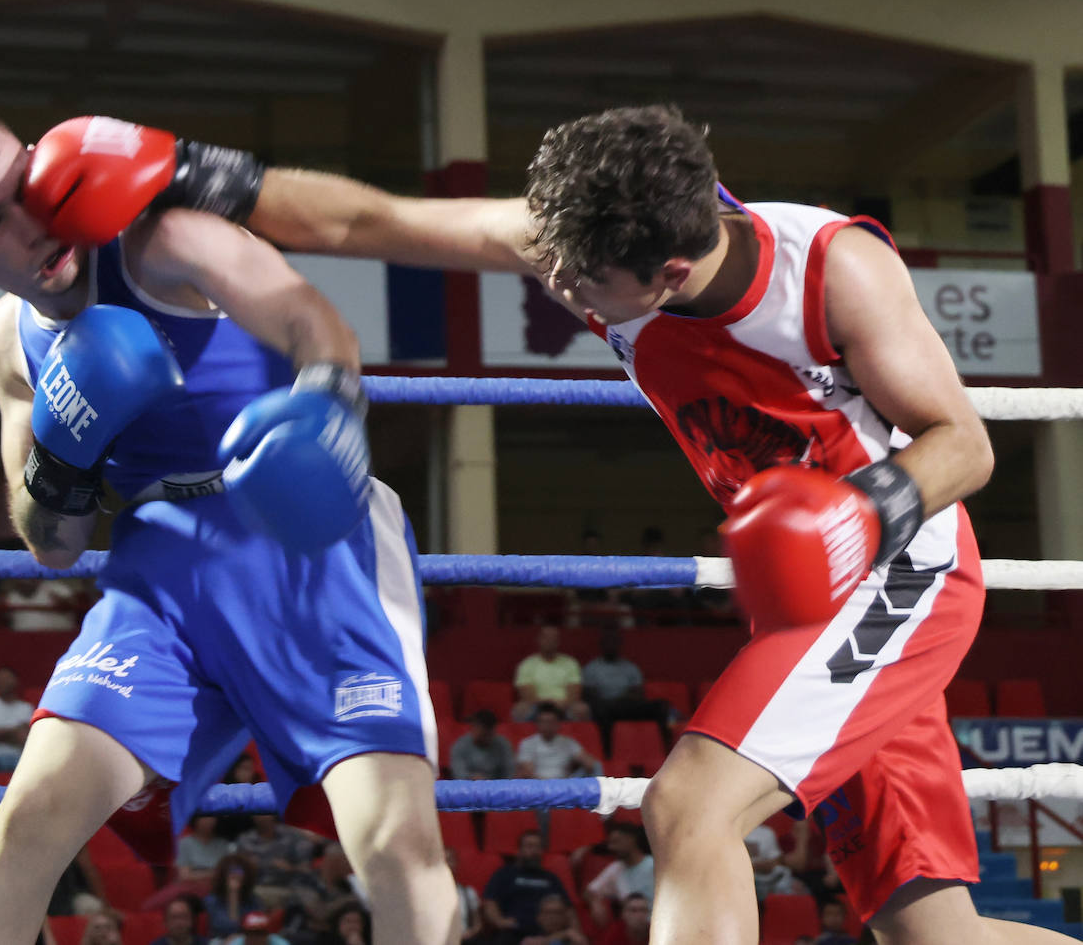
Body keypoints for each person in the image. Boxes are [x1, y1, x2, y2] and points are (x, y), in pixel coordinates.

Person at [196, 102, 1049, 944]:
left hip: (898, 571)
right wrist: (193, 174)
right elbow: (374, 220)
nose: (560, 285)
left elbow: (964, 446)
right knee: (935, 934)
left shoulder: (833, 271)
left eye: (583, 281)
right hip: (805, 591)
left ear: (669, 274)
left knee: (688, 808)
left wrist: (854, 514)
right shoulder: (595, 237)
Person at [0, 99, 453, 945]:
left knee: (395, 848)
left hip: (302, 541)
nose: (33, 229)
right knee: (21, 835)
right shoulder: (8, 339)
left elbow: (316, 325)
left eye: (27, 191)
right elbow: (50, 541)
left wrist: (322, 422)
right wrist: (62, 458)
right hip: (156, 576)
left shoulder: (161, 239)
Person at [579, 629, 672, 751]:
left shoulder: (630, 667)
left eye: (614, 642)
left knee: (661, 705)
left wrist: (622, 700)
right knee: (600, 709)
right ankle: (607, 752)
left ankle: (664, 750)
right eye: (608, 643)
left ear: (619, 645)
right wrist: (612, 701)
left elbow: (638, 692)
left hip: (626, 706)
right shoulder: (592, 668)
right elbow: (589, 693)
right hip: (605, 708)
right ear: (602, 645)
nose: (611, 646)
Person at [481, 830, 575, 945]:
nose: (534, 851)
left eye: (537, 847)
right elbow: (490, 902)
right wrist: (499, 921)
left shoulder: (551, 878)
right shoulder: (505, 874)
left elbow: (568, 908)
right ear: (519, 851)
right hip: (514, 932)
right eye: (529, 846)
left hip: (547, 934)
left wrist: (576, 932)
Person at [511, 626, 590, 722]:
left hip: (565, 706)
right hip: (536, 706)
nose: (550, 642)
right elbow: (527, 696)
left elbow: (574, 695)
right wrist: (547, 703)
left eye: (553, 639)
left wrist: (560, 704)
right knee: (520, 710)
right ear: (539, 640)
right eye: (546, 638)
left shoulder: (571, 663)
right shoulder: (527, 664)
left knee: (582, 709)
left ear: (558, 642)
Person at [584, 822, 656, 927]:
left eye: (616, 842)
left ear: (631, 839)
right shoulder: (616, 868)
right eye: (610, 843)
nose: (612, 848)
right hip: (630, 928)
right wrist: (595, 903)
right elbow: (590, 891)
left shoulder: (653, 865)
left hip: (656, 924)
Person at [515, 703, 601, 780]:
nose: (547, 725)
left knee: (596, 765)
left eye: (550, 722)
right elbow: (528, 772)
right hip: (539, 784)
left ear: (558, 724)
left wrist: (578, 764)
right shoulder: (528, 743)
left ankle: (602, 794)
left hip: (565, 783)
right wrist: (551, 784)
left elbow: (589, 763)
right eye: (543, 722)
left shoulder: (568, 742)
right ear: (537, 724)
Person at [204, 854, 266, 939]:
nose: (236, 875)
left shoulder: (254, 901)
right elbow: (227, 927)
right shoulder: (211, 901)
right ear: (223, 875)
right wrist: (233, 894)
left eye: (240, 871)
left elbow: (256, 928)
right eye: (231, 871)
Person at [448, 710, 515, 780]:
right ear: (473, 728)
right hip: (468, 786)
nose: (486, 738)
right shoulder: (460, 746)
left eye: (489, 734)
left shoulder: (502, 745)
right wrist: (472, 777)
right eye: (483, 735)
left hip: (497, 787)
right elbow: (458, 773)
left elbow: (509, 772)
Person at [519, 894, 589, 945]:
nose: (552, 917)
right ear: (539, 917)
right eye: (548, 913)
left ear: (566, 917)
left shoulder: (574, 938)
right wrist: (565, 933)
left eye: (557, 913)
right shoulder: (529, 940)